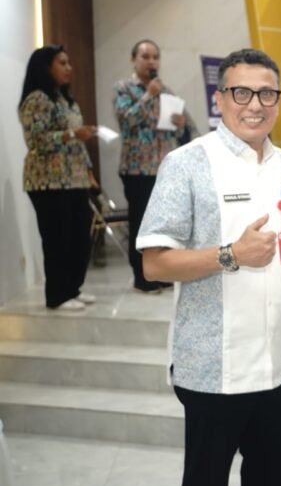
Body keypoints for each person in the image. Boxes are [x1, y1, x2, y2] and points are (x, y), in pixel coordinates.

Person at [137, 48, 281, 486]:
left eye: (266, 94)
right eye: (241, 93)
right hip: (212, 370)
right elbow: (153, 264)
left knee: (274, 480)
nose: (255, 105)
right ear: (219, 99)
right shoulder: (186, 163)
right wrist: (232, 255)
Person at [113, 38, 199, 294]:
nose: (151, 62)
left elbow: (187, 130)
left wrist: (181, 124)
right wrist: (148, 95)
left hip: (165, 170)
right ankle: (142, 277)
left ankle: (162, 273)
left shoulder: (167, 92)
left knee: (164, 224)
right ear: (133, 60)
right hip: (137, 170)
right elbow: (126, 121)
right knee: (141, 222)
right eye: (145, 56)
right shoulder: (123, 89)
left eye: (155, 57)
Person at [19, 45, 98, 311]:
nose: (69, 68)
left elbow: (77, 142)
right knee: (57, 239)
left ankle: (72, 288)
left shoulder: (64, 99)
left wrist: (89, 171)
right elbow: (36, 141)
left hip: (75, 178)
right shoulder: (36, 99)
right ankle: (57, 295)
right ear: (46, 67)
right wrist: (73, 134)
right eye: (62, 63)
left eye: (69, 62)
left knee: (79, 237)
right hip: (48, 181)